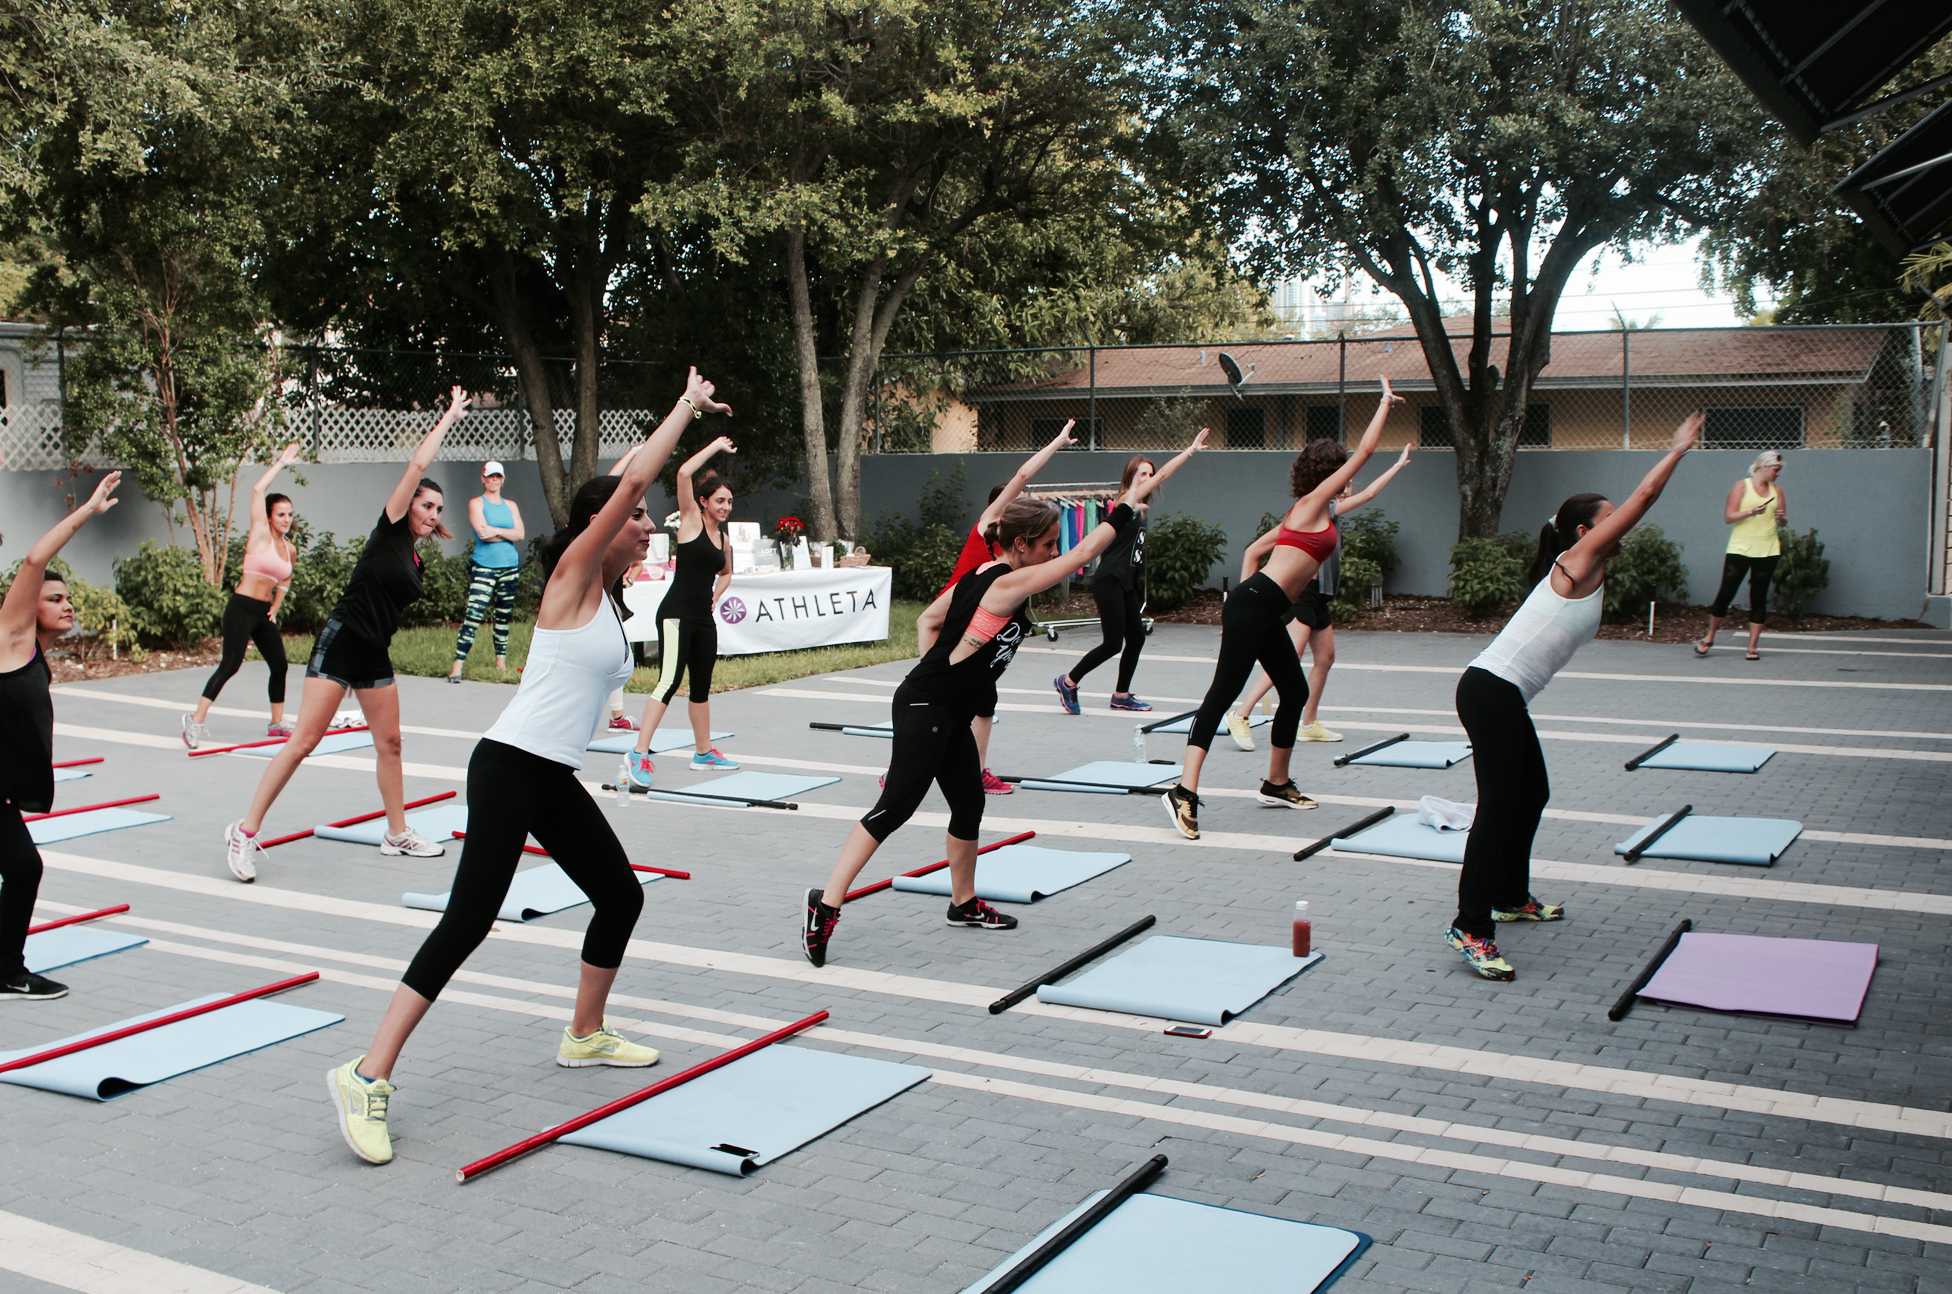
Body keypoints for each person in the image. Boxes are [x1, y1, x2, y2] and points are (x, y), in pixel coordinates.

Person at [327, 367, 733, 1166]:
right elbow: (641, 473)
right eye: (637, 515)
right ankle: (367, 1074)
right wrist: (684, 406)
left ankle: (583, 1034)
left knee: (618, 896)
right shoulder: (575, 574)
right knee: (468, 920)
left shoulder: (614, 602)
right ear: (599, 521)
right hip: (509, 767)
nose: (648, 524)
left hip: (550, 774)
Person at [801, 445, 1186, 969]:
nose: (1054, 553)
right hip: (926, 706)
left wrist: (949, 668)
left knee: (969, 803)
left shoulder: (980, 575)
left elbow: (932, 621)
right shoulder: (1003, 583)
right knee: (894, 809)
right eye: (1047, 544)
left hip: (943, 706)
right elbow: (1080, 557)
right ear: (1022, 545)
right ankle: (823, 907)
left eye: (1055, 544)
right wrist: (1124, 506)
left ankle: (962, 905)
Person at [1446, 412, 1704, 981]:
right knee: (1498, 807)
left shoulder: (1590, 565)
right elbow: (1647, 494)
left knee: (1531, 792)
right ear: (1585, 533)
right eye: (1610, 520)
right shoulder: (1577, 560)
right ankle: (1471, 924)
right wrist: (1678, 448)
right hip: (1491, 690)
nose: (1621, 526)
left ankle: (1510, 895)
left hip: (1503, 694)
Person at [222, 386, 470, 882]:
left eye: (439, 511)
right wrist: (447, 418)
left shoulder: (415, 556)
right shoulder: (390, 529)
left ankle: (396, 833)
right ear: (410, 506)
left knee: (392, 743)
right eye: (427, 506)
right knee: (303, 741)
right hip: (342, 641)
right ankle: (244, 832)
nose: (432, 514)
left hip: (374, 652)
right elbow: (417, 465)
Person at [1162, 381, 1403, 840]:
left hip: (1262, 609)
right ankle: (1183, 792)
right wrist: (1384, 405)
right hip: (1255, 606)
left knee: (1292, 692)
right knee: (1222, 695)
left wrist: (1235, 606)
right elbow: (1366, 452)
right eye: (1342, 468)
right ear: (1328, 473)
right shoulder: (1311, 505)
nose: (1348, 476)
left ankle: (1276, 783)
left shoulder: (1323, 512)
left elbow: (1255, 549)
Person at [0, 470, 122, 1001]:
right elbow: (33, 562)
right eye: (54, 599)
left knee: (22, 866)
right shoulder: (10, 641)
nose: (67, 605)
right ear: (30, 610)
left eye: (69, 597)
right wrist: (88, 511)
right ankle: (7, 969)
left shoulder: (32, 658)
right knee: (24, 865)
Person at [1225, 444, 1413, 749]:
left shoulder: (1322, 512)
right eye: (1344, 481)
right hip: (1303, 595)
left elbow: (1364, 494)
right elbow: (1368, 495)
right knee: (1291, 657)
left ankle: (1309, 723)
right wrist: (1395, 466)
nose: (1348, 487)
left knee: (1325, 658)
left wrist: (1396, 466)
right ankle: (1241, 714)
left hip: (1321, 594)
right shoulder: (1323, 507)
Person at [937, 420, 1080, 793]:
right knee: (958, 701)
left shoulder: (1008, 551)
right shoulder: (989, 532)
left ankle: (967, 768)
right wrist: (1058, 442)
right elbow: (1021, 473)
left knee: (980, 701)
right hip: (959, 621)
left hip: (977, 622)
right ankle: (960, 770)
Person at [1052, 435, 1210, 714]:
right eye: (1143, 474)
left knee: (1136, 638)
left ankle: (1121, 695)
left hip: (1123, 583)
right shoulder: (1127, 499)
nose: (1149, 478)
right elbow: (1162, 475)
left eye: (1149, 474)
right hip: (1109, 579)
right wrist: (1189, 451)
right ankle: (1068, 681)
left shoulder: (1140, 509)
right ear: (1130, 478)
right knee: (1113, 644)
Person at [622, 435, 738, 785]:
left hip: (704, 617)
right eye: (719, 500)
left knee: (701, 686)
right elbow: (685, 472)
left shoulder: (724, 539)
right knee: (669, 682)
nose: (726, 506)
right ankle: (638, 753)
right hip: (676, 614)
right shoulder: (690, 521)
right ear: (703, 502)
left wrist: (717, 595)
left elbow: (727, 572)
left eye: (730, 501)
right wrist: (716, 446)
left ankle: (704, 752)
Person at [183, 444, 303, 747]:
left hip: (263, 613)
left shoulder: (290, 549)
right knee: (230, 664)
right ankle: (195, 721)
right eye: (281, 514)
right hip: (241, 608)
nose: (286, 519)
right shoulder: (260, 534)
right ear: (269, 516)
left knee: (280, 665)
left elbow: (285, 578)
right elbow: (257, 488)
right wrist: (282, 462)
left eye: (290, 514)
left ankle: (277, 723)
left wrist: (276, 605)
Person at [1695, 450, 1786, 662]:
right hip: (1740, 548)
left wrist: (1781, 518)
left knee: (1759, 596)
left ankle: (1753, 646)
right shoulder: (1741, 486)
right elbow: (1729, 517)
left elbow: (1783, 520)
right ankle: (1709, 637)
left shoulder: (1778, 490)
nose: (1778, 473)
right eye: (1776, 469)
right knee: (1726, 592)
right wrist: (1752, 511)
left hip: (1768, 549)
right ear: (1764, 466)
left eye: (1780, 470)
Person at [447, 460, 526, 682]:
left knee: (503, 616)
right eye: (490, 476)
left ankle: (500, 660)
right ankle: (457, 664)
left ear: (502, 479)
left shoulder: (510, 505)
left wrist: (496, 529)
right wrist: (504, 532)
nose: (494, 480)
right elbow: (484, 535)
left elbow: (520, 534)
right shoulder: (476, 502)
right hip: (485, 565)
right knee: (474, 614)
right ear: (483, 478)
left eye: (498, 476)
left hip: (509, 565)